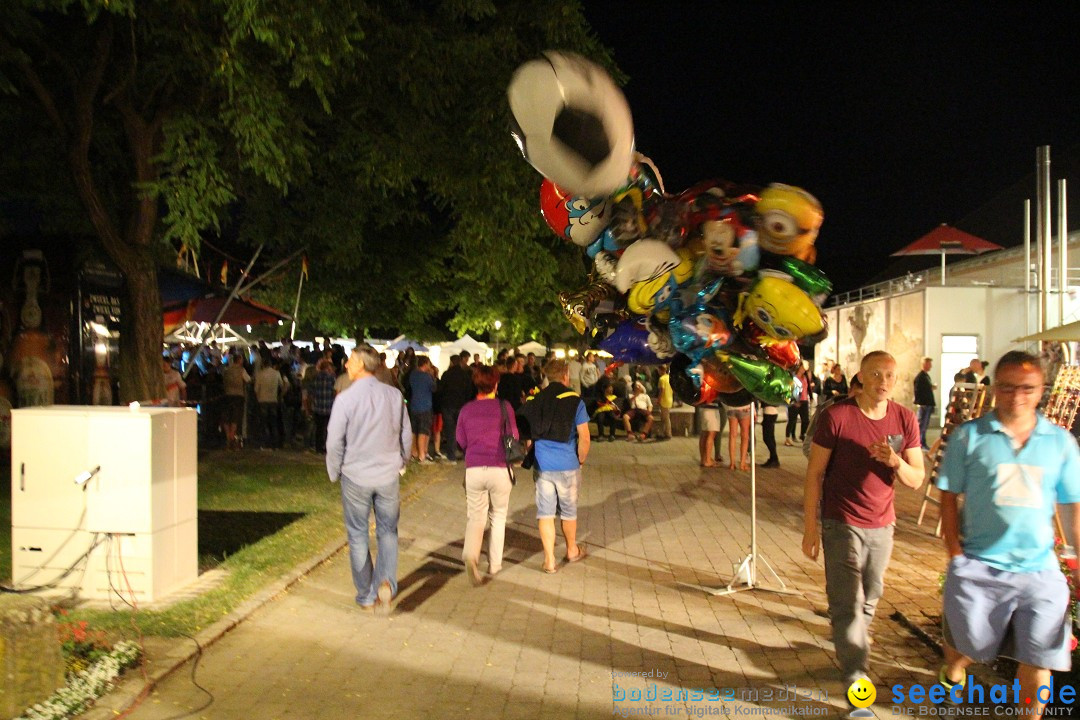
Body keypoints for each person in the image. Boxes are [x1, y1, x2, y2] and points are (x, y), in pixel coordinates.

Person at [935, 351, 1080, 718]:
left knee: (1040, 658)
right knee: (968, 648)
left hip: (1040, 572)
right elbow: (948, 497)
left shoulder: (1060, 443)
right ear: (995, 388)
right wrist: (956, 554)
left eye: (1027, 388)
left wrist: (1077, 564)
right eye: (1008, 387)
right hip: (979, 567)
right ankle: (954, 669)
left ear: (1041, 390)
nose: (1017, 396)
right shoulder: (969, 436)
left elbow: (1074, 509)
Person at [802, 350, 924, 688]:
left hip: (883, 523)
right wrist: (810, 529)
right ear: (860, 377)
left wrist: (896, 461)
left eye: (888, 375)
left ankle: (850, 635)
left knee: (871, 592)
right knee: (847, 599)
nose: (882, 382)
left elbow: (916, 479)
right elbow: (814, 475)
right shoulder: (837, 416)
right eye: (875, 374)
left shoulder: (904, 420)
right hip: (840, 520)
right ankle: (856, 670)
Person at [326, 345, 411, 613]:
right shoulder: (394, 396)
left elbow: (334, 440)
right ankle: (384, 581)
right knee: (388, 531)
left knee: (358, 534)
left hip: (356, 475)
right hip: (387, 474)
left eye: (350, 361)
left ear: (362, 365)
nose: (346, 365)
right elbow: (405, 434)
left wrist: (334, 470)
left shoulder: (346, 400)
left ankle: (366, 593)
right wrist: (402, 462)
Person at [516, 359, 590, 574]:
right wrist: (581, 460)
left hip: (543, 467)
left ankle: (549, 561)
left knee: (545, 513)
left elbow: (527, 434)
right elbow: (584, 438)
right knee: (568, 512)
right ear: (566, 375)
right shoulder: (575, 401)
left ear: (546, 376)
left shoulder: (535, 399)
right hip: (568, 465)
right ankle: (571, 550)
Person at [455, 364, 517, 586]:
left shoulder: (466, 410)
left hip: (474, 468)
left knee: (476, 516)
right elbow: (514, 435)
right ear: (496, 384)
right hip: (499, 467)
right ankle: (495, 564)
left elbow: (460, 440)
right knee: (498, 516)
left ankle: (471, 555)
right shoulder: (504, 407)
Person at [439, 351, 476, 463]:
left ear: (451, 362)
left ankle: (452, 455)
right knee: (462, 430)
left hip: (448, 405)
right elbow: (469, 391)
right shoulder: (465, 375)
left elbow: (440, 390)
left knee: (450, 431)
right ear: (460, 361)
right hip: (461, 405)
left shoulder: (446, 374)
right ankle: (466, 453)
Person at [409, 356, 437, 463]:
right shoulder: (427, 376)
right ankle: (422, 455)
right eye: (429, 364)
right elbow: (434, 388)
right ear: (425, 364)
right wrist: (432, 375)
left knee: (414, 431)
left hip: (414, 406)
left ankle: (413, 452)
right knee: (423, 431)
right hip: (425, 406)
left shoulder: (413, 375)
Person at [221, 349, 250, 450]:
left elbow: (223, 381)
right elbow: (248, 380)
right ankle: (232, 437)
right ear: (240, 360)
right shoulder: (241, 370)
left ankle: (228, 436)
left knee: (227, 417)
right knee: (235, 417)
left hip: (227, 395)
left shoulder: (226, 370)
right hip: (238, 395)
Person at [311, 358, 337, 453]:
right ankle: (325, 447)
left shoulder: (316, 378)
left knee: (319, 429)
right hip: (328, 407)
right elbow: (335, 392)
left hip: (318, 407)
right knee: (327, 429)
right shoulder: (331, 378)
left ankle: (318, 447)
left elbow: (312, 392)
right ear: (327, 368)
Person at [913, 357, 937, 451]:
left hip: (927, 404)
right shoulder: (920, 377)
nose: (931, 366)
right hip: (924, 404)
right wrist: (920, 402)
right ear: (925, 364)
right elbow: (917, 390)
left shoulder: (926, 376)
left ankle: (923, 442)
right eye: (929, 364)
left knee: (924, 425)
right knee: (922, 425)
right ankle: (919, 443)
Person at [785, 364, 811, 445]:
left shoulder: (805, 378)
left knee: (806, 420)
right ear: (798, 368)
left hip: (804, 400)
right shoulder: (794, 378)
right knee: (792, 419)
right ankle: (788, 437)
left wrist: (810, 397)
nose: (803, 369)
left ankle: (802, 434)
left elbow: (808, 388)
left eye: (804, 368)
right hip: (795, 401)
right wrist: (794, 400)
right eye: (802, 368)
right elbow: (790, 390)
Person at [724, 401, 752, 471]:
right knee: (745, 437)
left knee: (732, 436)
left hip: (731, 408)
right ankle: (742, 463)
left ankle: (732, 463)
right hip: (744, 408)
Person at [698, 402, 722, 468]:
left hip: (703, 407)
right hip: (711, 408)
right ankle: (708, 460)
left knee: (704, 433)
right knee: (711, 434)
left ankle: (703, 459)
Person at [759, 402, 780, 468]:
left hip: (769, 412)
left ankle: (774, 458)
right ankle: (772, 458)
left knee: (767, 438)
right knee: (771, 437)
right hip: (771, 412)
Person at [656, 364, 673, 440]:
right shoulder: (669, 377)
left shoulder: (662, 379)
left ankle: (667, 434)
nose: (658, 372)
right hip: (670, 399)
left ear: (661, 370)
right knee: (666, 418)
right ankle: (665, 433)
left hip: (664, 400)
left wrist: (659, 399)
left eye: (659, 370)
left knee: (665, 418)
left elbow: (661, 390)